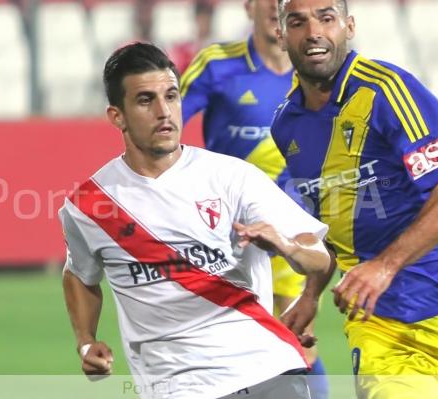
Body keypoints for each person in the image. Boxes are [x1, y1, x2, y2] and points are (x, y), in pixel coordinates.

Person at [59, 42, 333, 399]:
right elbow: (79, 274)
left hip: (268, 371)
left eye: (171, 96)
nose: (164, 112)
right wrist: (85, 341)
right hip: (177, 387)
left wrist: (286, 245)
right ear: (117, 116)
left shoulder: (232, 177)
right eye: (145, 100)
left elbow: (319, 255)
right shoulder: (91, 206)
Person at [272, 0, 438, 398]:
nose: (313, 31)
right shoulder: (286, 125)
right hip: (379, 325)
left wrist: (385, 266)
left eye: (326, 17)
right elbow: (332, 223)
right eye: (298, 22)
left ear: (348, 26)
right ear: (282, 35)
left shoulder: (388, 91)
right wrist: (311, 294)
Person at [180, 1, 329, 397]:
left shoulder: (318, 70)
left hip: (291, 225)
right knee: (231, 347)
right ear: (249, 6)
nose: (278, 8)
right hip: (228, 234)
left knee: (300, 343)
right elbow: (163, 123)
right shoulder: (216, 64)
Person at [167, 0, 215, 74]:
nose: (204, 22)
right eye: (201, 18)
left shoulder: (217, 46)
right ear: (196, 19)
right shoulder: (185, 47)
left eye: (207, 18)